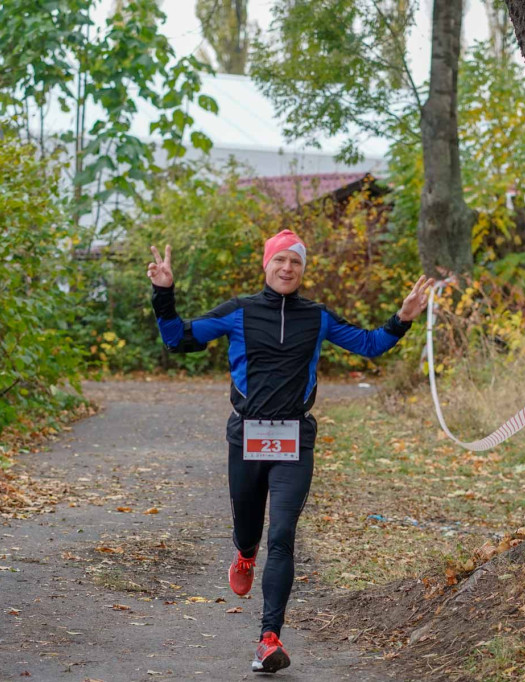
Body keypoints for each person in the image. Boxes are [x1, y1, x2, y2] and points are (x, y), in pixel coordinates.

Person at [147, 229, 433, 673]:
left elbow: (370, 345)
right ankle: (244, 554)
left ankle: (268, 639)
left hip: (294, 439)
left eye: (295, 262)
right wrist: (163, 293)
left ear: (303, 270)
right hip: (247, 436)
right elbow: (176, 339)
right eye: (280, 260)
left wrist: (403, 318)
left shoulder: (316, 317)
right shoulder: (239, 312)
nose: (287, 268)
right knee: (249, 530)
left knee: (282, 536)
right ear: (267, 265)